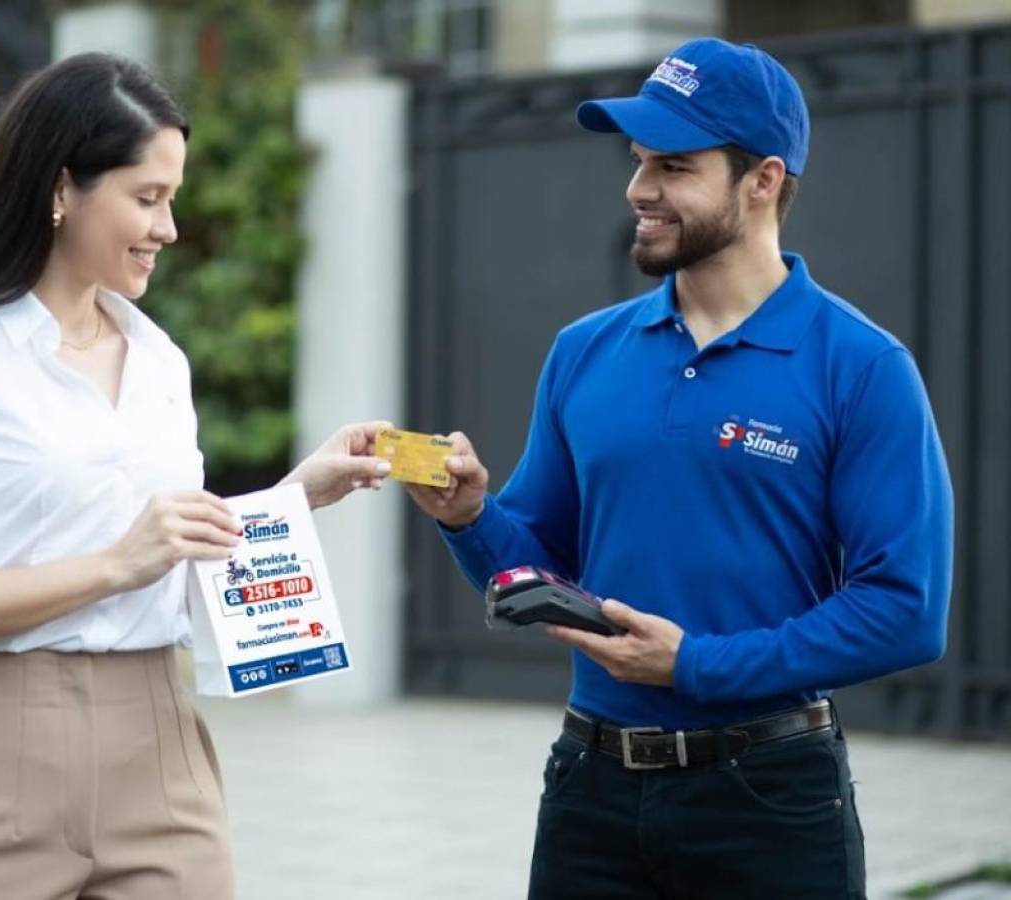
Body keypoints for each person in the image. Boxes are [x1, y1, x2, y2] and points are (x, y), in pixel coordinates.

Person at [402, 38, 952, 899]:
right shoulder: (583, 352)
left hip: (769, 800)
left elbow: (904, 611)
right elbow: (534, 570)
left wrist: (695, 666)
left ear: (762, 181)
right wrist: (470, 517)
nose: (639, 190)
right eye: (637, 161)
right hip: (590, 790)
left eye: (674, 166)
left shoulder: (862, 365)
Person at [0, 53, 389, 899]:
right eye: (148, 199)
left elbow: (166, 563)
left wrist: (295, 496)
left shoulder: (160, 363)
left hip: (160, 749)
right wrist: (116, 564)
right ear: (62, 188)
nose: (169, 228)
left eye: (171, 199)